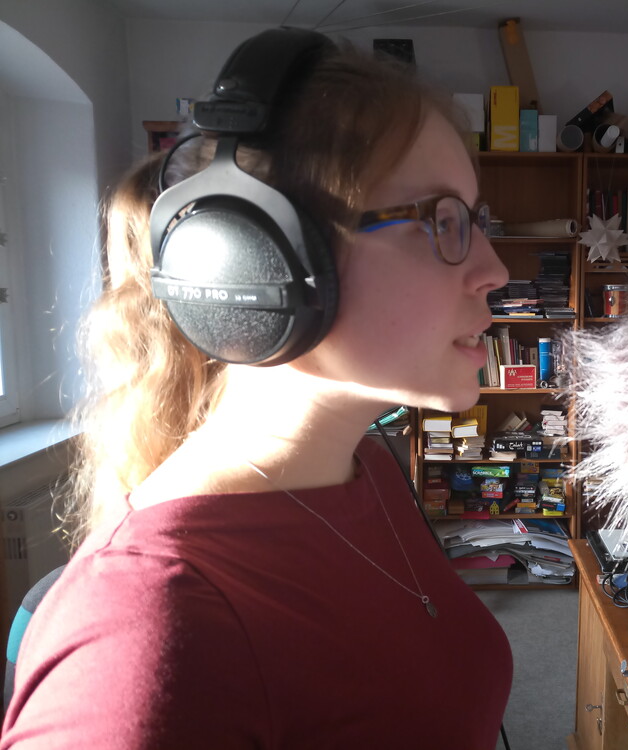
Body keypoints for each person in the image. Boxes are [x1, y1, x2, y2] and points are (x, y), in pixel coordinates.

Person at [1, 28, 512, 749]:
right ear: (262, 261)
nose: (496, 270)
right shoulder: (142, 628)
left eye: (475, 220)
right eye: (444, 221)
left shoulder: (365, 466)